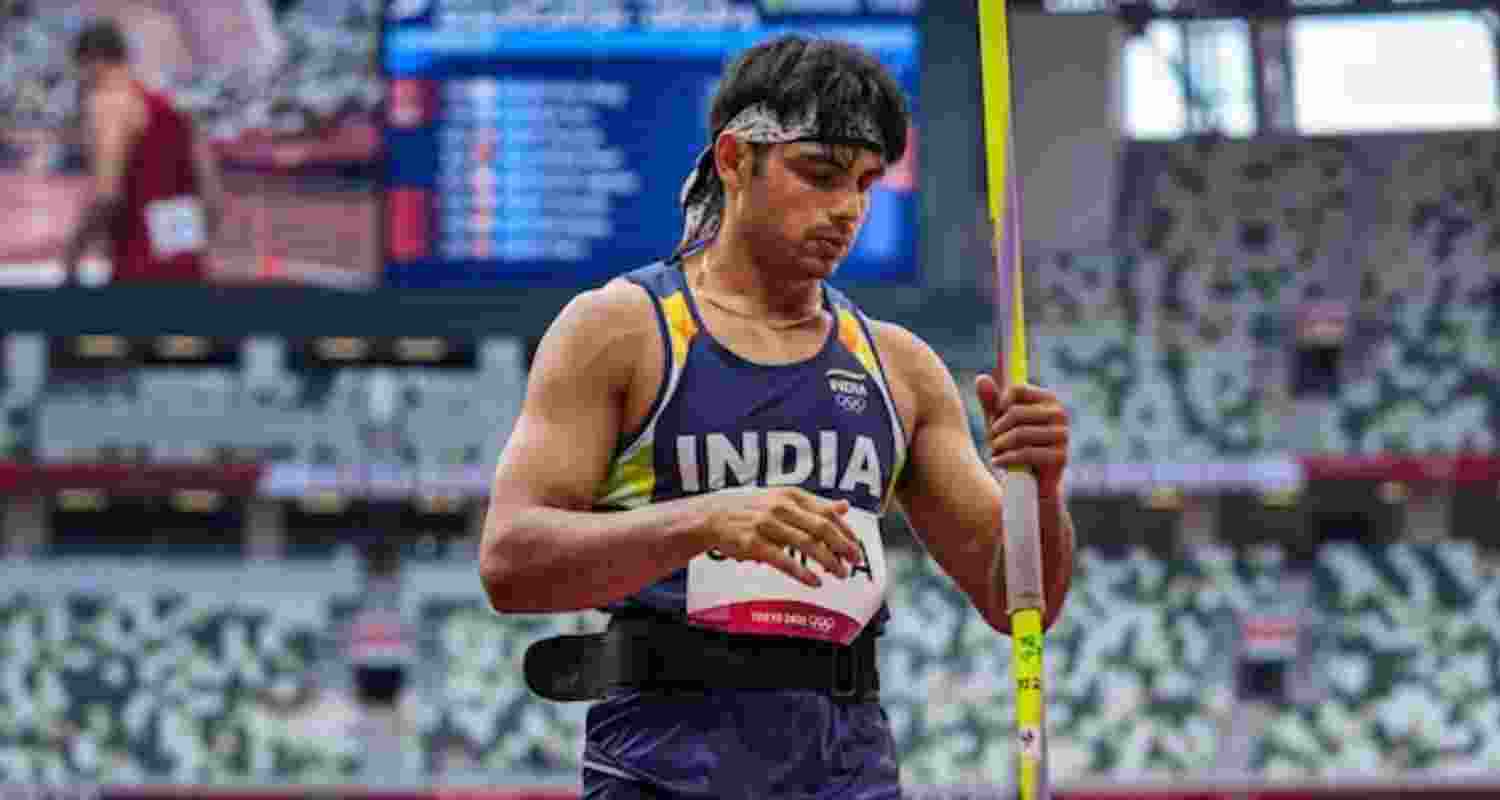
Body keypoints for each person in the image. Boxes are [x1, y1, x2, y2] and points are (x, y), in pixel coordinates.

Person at [480, 35, 1076, 799]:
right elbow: (510, 562)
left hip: (846, 771)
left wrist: (1045, 493)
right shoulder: (620, 331)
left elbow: (1016, 598)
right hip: (661, 769)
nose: (849, 209)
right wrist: (707, 520)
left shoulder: (899, 367)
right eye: (820, 175)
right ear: (734, 159)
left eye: (866, 183)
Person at [62, 19, 221, 284]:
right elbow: (213, 200)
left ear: (90, 61)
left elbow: (105, 195)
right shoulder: (178, 110)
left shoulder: (107, 102)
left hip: (136, 267)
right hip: (188, 266)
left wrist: (73, 255)